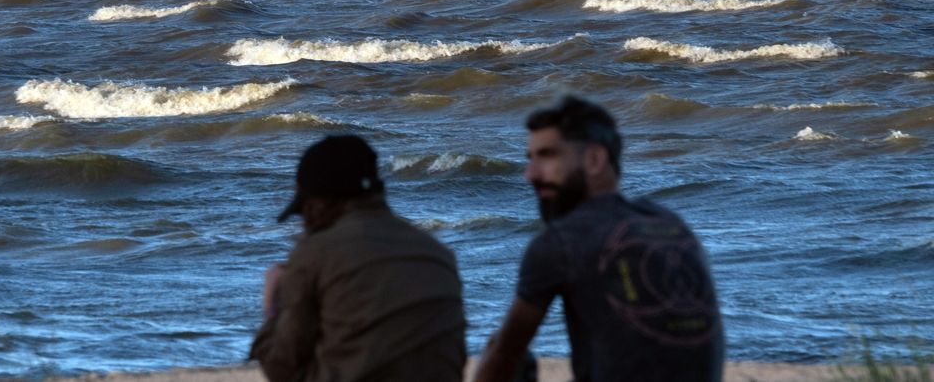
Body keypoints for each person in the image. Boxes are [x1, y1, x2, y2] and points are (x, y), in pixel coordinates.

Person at [474, 95, 724, 382]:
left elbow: (505, 351)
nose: (530, 174)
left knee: (509, 356)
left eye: (547, 156)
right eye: (530, 159)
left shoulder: (562, 240)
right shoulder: (669, 223)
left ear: (594, 159)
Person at [250, 134, 467, 382]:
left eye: (303, 211)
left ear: (317, 203)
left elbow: (282, 368)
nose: (304, 224)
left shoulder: (316, 252)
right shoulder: (437, 252)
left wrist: (274, 305)